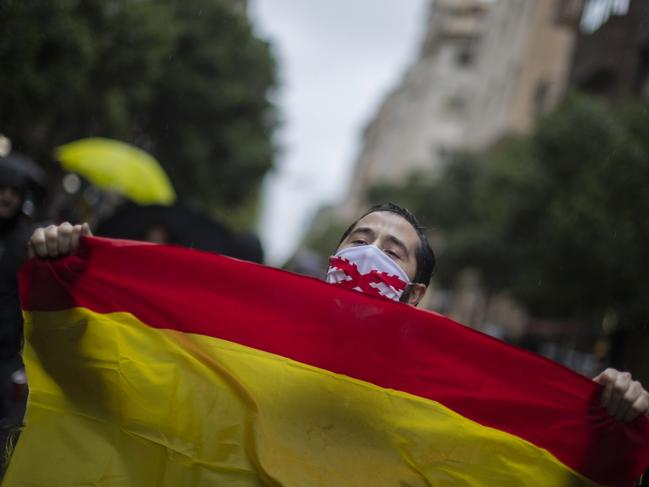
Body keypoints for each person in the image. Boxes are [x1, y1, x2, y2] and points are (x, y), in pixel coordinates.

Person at [28, 203, 649, 423]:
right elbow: (120, 381)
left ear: (414, 293)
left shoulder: (449, 382)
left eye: (392, 250)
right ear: (333, 255)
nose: (369, 253)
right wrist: (65, 283)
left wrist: (606, 420)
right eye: (359, 237)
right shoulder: (250, 335)